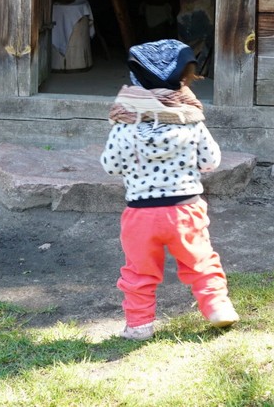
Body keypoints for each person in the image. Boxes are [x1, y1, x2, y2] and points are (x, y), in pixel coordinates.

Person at [100, 39, 239, 341]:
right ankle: (217, 307)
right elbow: (211, 161)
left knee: (139, 272)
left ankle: (139, 326)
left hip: (140, 215)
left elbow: (110, 165)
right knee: (201, 261)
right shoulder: (191, 123)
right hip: (185, 210)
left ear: (137, 78)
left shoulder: (124, 126)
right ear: (182, 79)